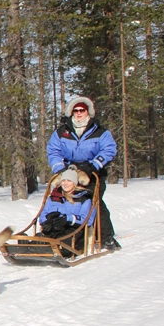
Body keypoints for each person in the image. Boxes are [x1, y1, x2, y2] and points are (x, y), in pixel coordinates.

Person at [46, 96, 120, 250]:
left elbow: (109, 149)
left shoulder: (99, 131)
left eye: (82, 110)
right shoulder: (62, 131)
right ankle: (57, 233)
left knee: (93, 201)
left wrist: (93, 165)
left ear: (88, 112)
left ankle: (106, 237)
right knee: (59, 200)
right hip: (68, 171)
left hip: (92, 171)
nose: (79, 113)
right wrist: (60, 169)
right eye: (76, 110)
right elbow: (53, 150)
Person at [38, 168, 93, 250]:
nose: (65, 183)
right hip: (53, 229)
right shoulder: (54, 197)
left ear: (75, 182)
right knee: (40, 238)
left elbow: (88, 219)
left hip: (73, 232)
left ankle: (47, 249)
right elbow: (43, 214)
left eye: (69, 181)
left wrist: (68, 218)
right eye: (63, 181)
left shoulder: (84, 198)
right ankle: (29, 246)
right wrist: (46, 222)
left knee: (62, 244)